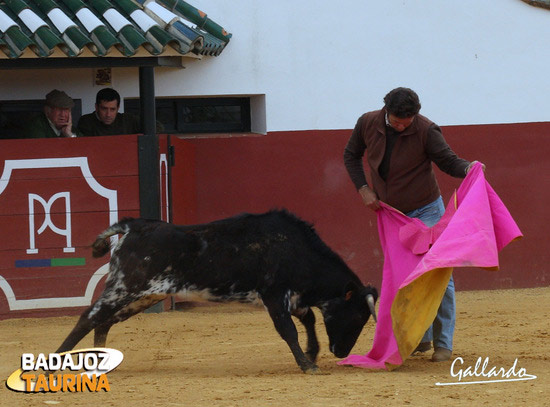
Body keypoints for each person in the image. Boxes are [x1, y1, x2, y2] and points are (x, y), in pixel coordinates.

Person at [343, 87, 482, 363]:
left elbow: (447, 160)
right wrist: (362, 188)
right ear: (386, 111)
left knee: (439, 273)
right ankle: (420, 337)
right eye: (397, 121)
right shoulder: (367, 122)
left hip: (427, 211)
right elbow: (351, 155)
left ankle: (443, 343)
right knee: (403, 275)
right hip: (392, 214)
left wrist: (468, 168)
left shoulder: (426, 129)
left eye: (407, 122)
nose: (402, 126)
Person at [78, 88, 162, 137]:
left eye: (112, 109)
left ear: (118, 108)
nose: (108, 114)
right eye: (104, 109)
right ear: (96, 107)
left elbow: (158, 127)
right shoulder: (86, 121)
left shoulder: (127, 120)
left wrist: (141, 137)